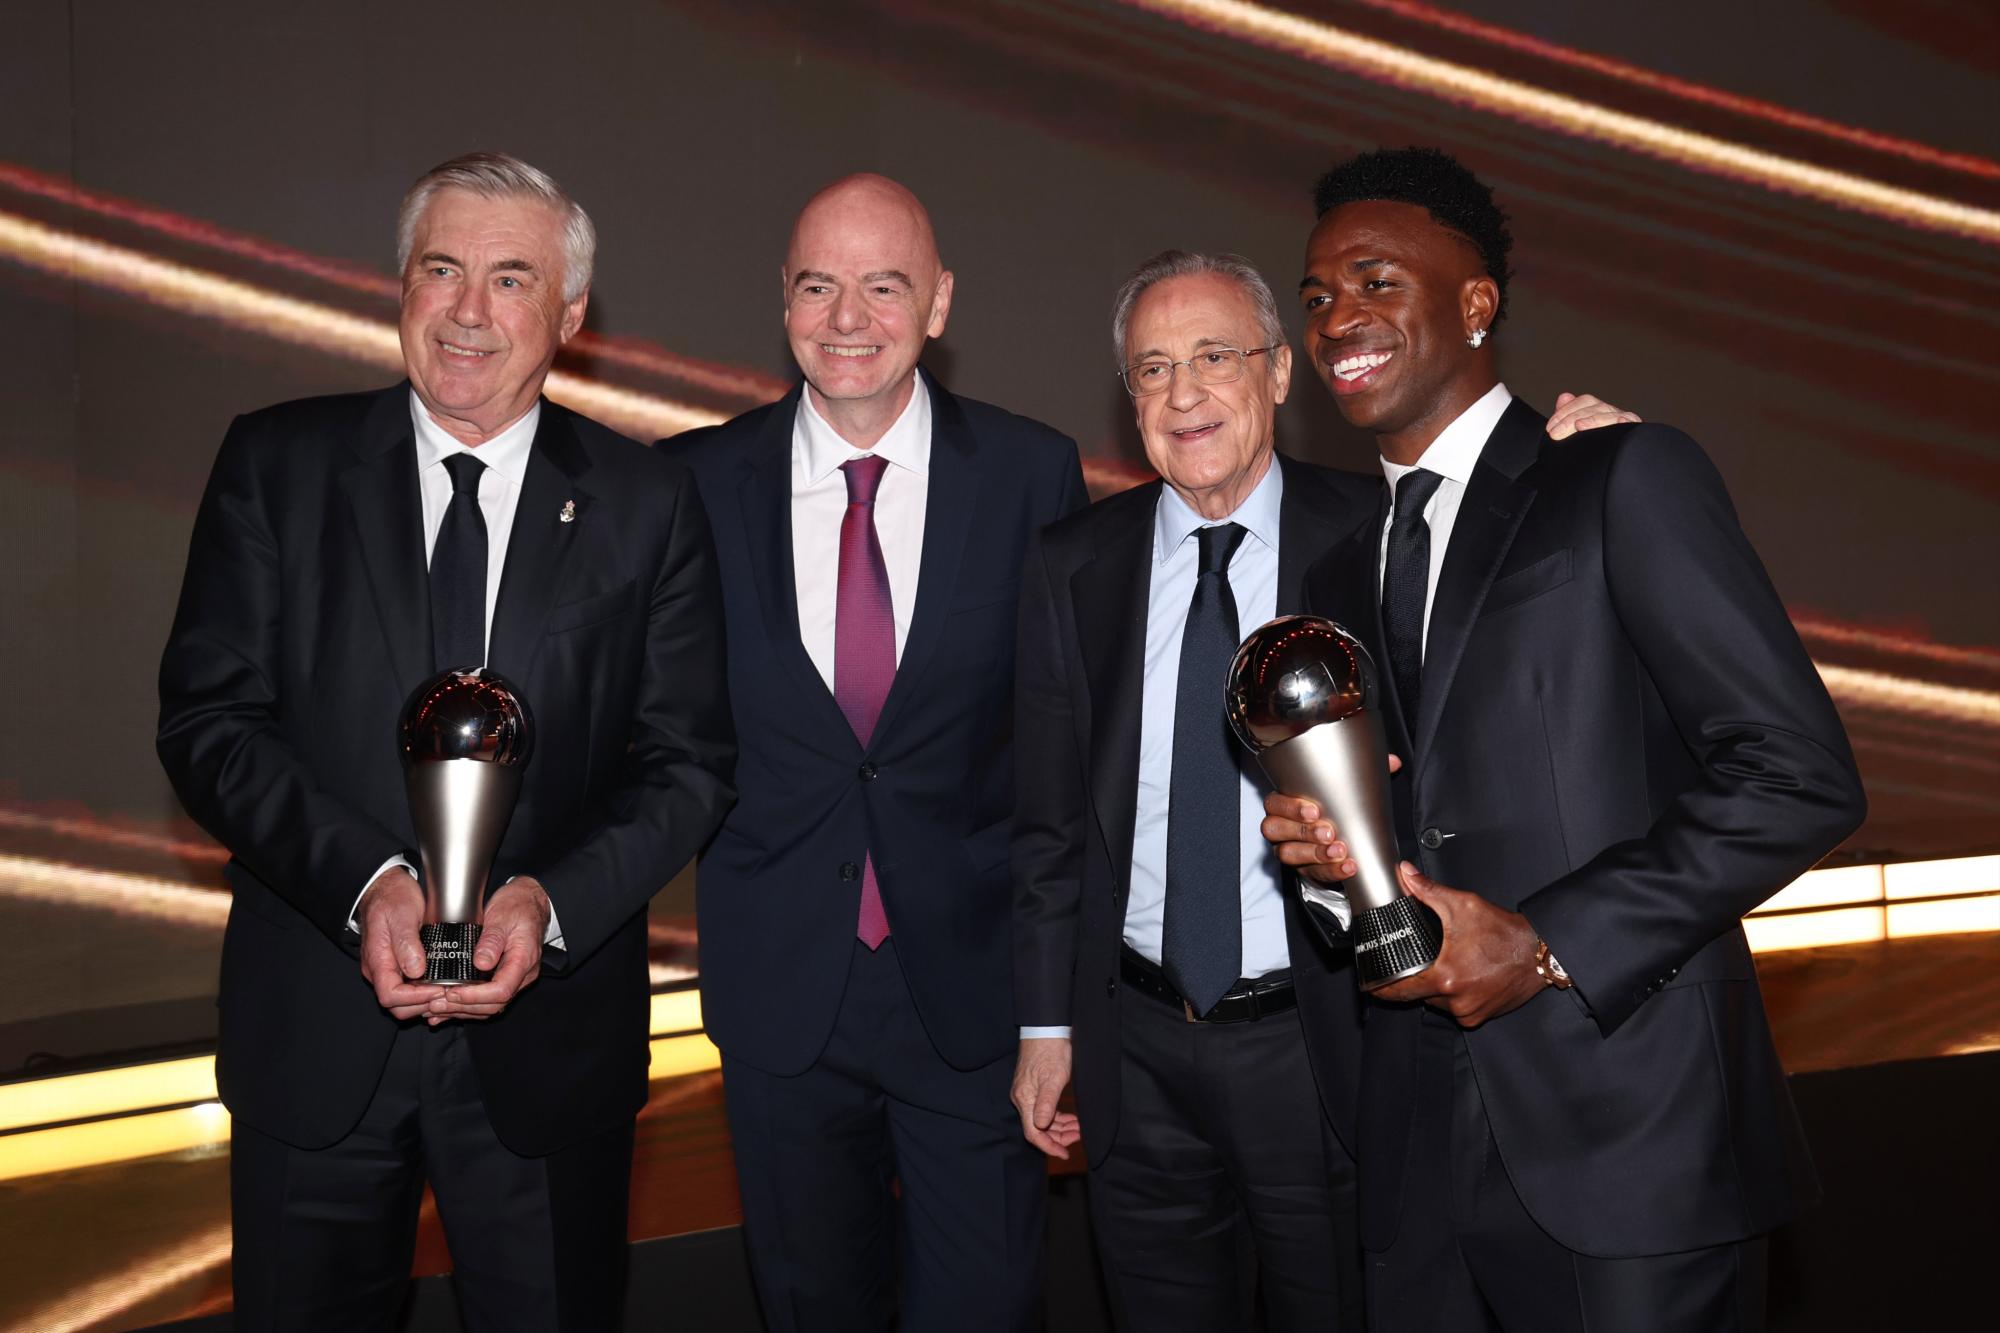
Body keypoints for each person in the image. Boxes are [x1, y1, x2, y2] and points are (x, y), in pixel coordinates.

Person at [1262, 146, 1866, 1332]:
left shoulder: (1617, 476)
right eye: (1319, 295)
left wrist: (1546, 947)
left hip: (1628, 1138)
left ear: (1476, 302)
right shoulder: (1333, 568)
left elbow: (1797, 776)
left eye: (1376, 281)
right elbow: (1409, 824)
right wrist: (1334, 871)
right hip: (1416, 1162)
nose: (1339, 319)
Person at [157, 152, 735, 1331]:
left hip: (546, 1055)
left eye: (510, 278)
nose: (469, 311)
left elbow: (686, 763)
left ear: (569, 316)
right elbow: (210, 722)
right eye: (442, 269)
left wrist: (550, 905)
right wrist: (364, 883)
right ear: (400, 287)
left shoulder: (644, 501)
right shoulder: (277, 466)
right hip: (314, 1037)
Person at [1009, 249, 1637, 1330]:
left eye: (1214, 356)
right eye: (1150, 370)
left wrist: (1588, 463)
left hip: (1328, 1042)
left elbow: (1525, 590)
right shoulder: (1072, 565)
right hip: (1137, 1051)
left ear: (1280, 374)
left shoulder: (1382, 533)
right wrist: (1043, 1026)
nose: (1183, 393)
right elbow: (1048, 820)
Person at [659, 173, 1086, 1331]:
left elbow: (1067, 745)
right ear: (782, 301)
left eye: (882, 285)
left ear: (938, 303)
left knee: (987, 1304)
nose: (847, 318)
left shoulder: (1032, 474)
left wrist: (1060, 1007)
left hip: (972, 992)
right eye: (817, 286)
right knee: (808, 1305)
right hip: (780, 991)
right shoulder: (691, 483)